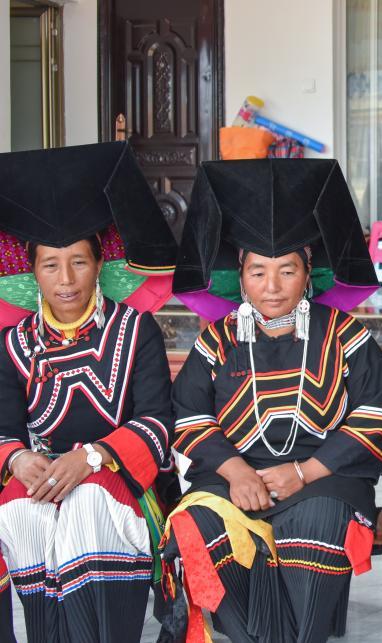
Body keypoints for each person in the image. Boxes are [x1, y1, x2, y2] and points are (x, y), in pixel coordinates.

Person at [163, 158, 382, 643]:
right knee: (197, 526)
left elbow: (372, 418)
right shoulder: (217, 340)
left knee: (317, 520)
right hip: (231, 478)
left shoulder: (346, 335)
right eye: (258, 271)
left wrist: (303, 473)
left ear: (308, 273)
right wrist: (237, 472)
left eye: (286, 270)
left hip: (323, 478)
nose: (271, 287)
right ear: (240, 276)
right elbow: (190, 417)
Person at [0, 142, 178, 642]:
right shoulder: (13, 343)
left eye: (78, 261)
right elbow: (4, 429)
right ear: (32, 272)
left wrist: (92, 459)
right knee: (20, 507)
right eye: (50, 265)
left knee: (88, 505)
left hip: (120, 477)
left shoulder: (135, 329)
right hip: (41, 478)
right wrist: (18, 460)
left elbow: (157, 422)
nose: (66, 280)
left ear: (100, 262)